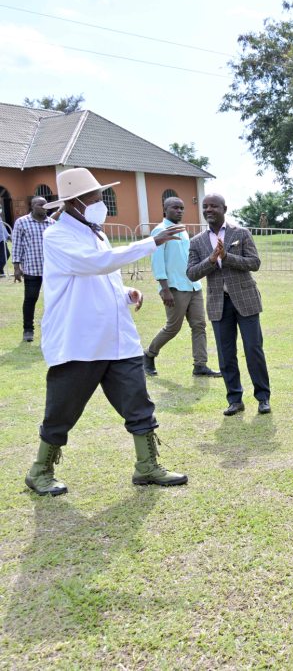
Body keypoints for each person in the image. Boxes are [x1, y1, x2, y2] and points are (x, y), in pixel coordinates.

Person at [25, 168, 188, 496]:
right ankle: (40, 470)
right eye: (95, 199)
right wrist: (151, 242)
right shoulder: (57, 235)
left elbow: (103, 275)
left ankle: (147, 465)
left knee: (138, 402)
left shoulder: (96, 233)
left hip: (117, 339)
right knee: (62, 408)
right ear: (74, 202)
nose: (102, 204)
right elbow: (93, 264)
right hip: (79, 341)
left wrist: (125, 293)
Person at [186, 194, 271, 416]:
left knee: (253, 350)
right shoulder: (196, 241)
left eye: (213, 206)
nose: (208, 210)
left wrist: (227, 257)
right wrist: (211, 260)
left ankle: (263, 397)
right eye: (205, 206)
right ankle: (234, 399)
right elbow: (192, 273)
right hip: (218, 304)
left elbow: (254, 263)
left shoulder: (240, 233)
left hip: (246, 300)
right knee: (226, 355)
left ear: (224, 208)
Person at [143, 197, 220, 378]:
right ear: (165, 210)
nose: (179, 211)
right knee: (173, 327)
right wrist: (164, 289)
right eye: (175, 208)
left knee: (199, 325)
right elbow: (157, 261)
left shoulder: (183, 230)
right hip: (174, 287)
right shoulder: (160, 231)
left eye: (182, 208)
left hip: (193, 286)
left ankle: (200, 365)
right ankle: (148, 354)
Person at [11, 196, 56, 342]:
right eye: (39, 204)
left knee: (54, 300)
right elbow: (16, 245)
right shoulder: (22, 222)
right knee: (30, 299)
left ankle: (53, 330)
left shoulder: (52, 223)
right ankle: (28, 330)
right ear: (32, 206)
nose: (43, 207)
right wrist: (16, 267)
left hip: (51, 270)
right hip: (32, 269)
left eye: (45, 205)